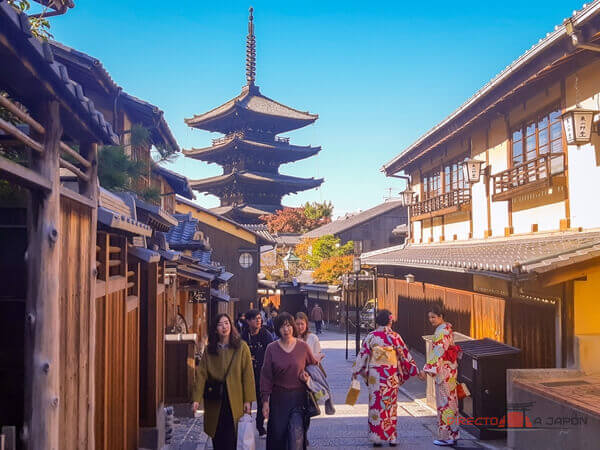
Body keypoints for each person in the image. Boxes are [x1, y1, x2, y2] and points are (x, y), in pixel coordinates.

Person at [352, 309, 423, 447]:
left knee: (376, 404)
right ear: (390, 321)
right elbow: (405, 355)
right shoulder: (395, 336)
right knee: (390, 406)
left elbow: (362, 355)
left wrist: (356, 370)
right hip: (391, 376)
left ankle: (376, 437)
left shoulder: (371, 336)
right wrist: (416, 370)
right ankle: (392, 437)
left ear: (377, 321)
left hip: (375, 377)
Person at [192, 313, 255, 450]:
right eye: (220, 324)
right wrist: (196, 399)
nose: (224, 327)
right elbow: (201, 375)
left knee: (232, 436)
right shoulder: (210, 350)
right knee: (218, 436)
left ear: (231, 326)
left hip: (235, 399)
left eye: (226, 323)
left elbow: (247, 375)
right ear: (215, 329)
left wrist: (247, 401)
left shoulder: (241, 347)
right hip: (215, 398)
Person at [261, 312, 318, 450]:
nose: (286, 330)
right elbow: (266, 376)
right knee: (278, 436)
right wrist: (265, 401)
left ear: (292, 326)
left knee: (296, 437)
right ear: (277, 329)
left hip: (298, 398)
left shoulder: (303, 347)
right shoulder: (272, 348)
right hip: (278, 398)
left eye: (288, 326)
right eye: (282, 327)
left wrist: (308, 378)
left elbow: (313, 368)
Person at [423, 304, 460, 447]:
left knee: (445, 403)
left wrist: (427, 369)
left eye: (433, 317)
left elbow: (438, 352)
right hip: (449, 370)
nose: (431, 320)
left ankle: (447, 436)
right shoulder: (447, 328)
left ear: (441, 317)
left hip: (444, 371)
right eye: (429, 317)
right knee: (451, 402)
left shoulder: (441, 332)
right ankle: (454, 433)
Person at [241, 309, 274, 437]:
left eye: (260, 318)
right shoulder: (243, 336)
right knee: (246, 401)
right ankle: (245, 425)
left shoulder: (266, 334)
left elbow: (272, 353)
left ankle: (260, 426)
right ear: (248, 321)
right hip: (247, 374)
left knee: (262, 401)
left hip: (262, 373)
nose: (258, 320)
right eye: (255, 318)